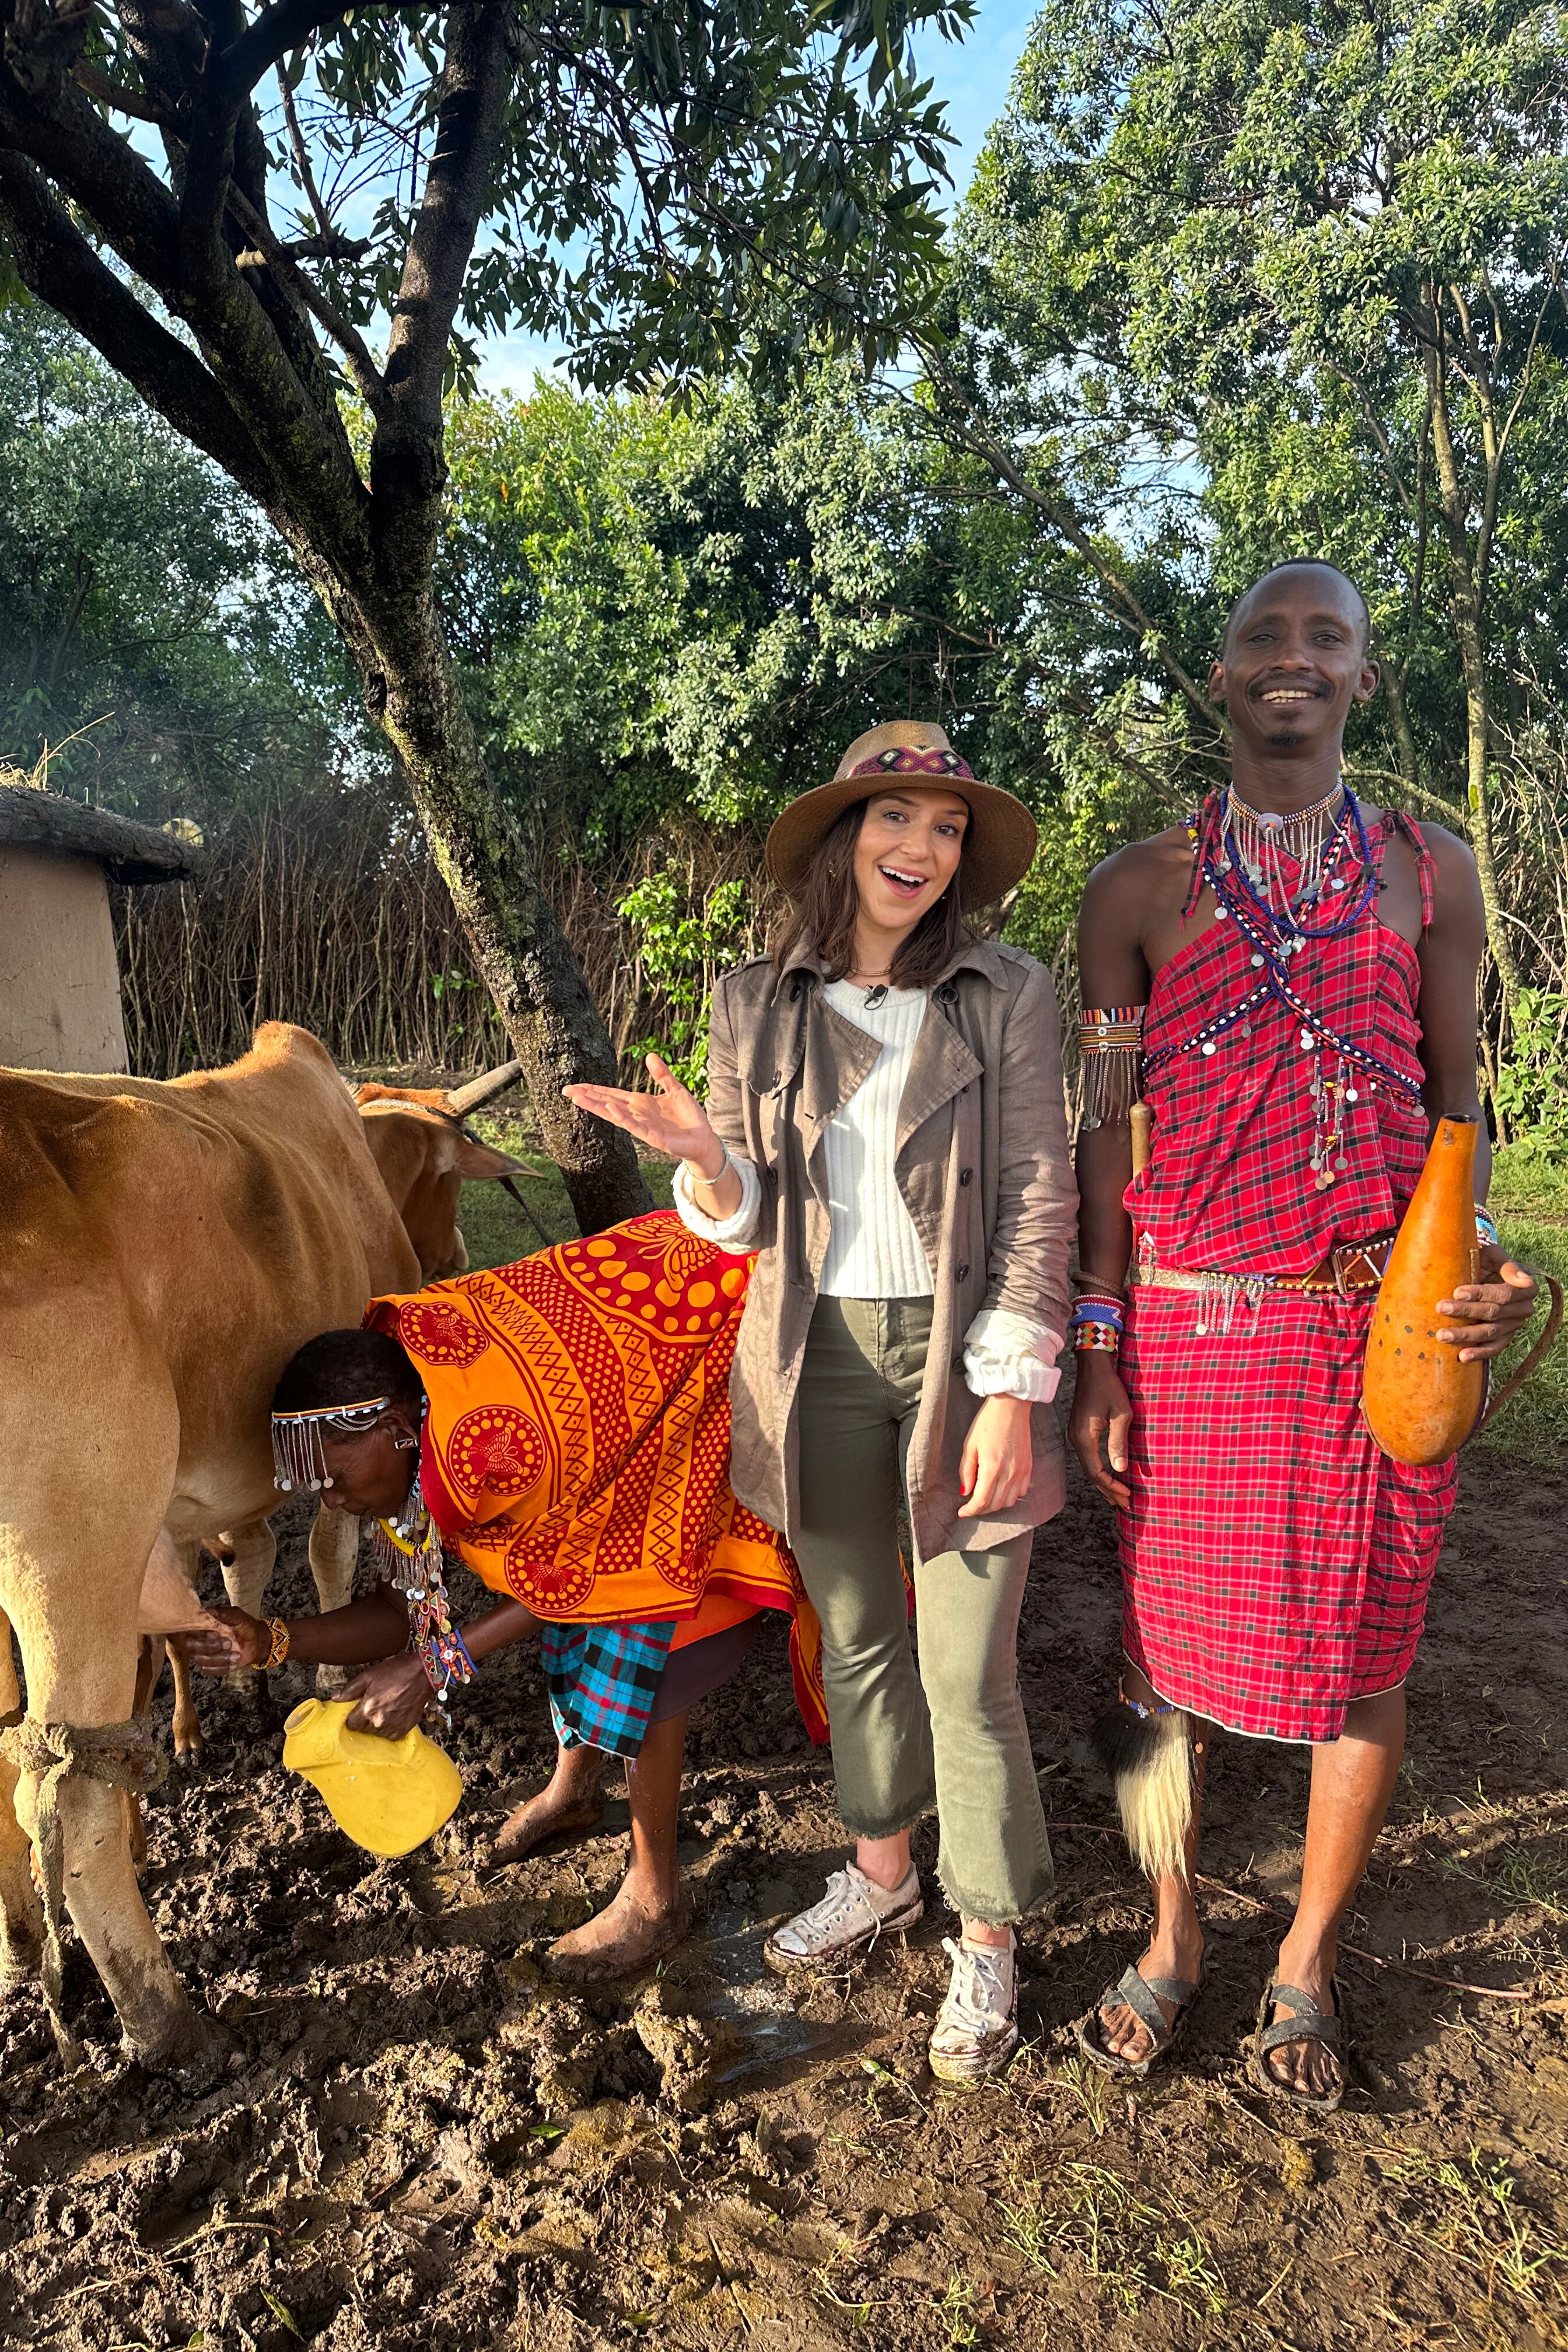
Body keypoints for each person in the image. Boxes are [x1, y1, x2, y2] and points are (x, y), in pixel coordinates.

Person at [1068, 560, 1541, 2110]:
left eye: (1324, 636)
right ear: (1220, 680)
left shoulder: (1431, 875)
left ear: (1364, 670)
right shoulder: (1134, 890)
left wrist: (1478, 1265)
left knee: (1362, 1656)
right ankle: (1175, 1931)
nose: (1293, 659)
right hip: (1194, 1336)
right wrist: (1098, 1343)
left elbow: (1457, 1108)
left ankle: (1307, 1965)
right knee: (1157, 1671)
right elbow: (1104, 1138)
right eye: (1264, 638)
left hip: (1372, 1335)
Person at [565, 718, 1077, 2085]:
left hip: (964, 1352)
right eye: (893, 816)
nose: (920, 847)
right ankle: (882, 1868)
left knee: (967, 1667)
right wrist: (704, 1164)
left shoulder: (1004, 990)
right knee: (854, 1635)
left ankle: (988, 1932)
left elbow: (1036, 1189)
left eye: (946, 824)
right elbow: (742, 1227)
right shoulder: (755, 1001)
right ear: (841, 837)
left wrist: (1010, 1389)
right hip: (815, 1358)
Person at [186, 1247, 810, 1983]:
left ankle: (654, 1897)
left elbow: (576, 1577)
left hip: (702, 1370)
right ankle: (574, 1790)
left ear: (391, 1428)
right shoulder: (408, 1445)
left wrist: (431, 1669)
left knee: (647, 1631)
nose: (330, 1500)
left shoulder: (486, 1447)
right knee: (571, 1609)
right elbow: (404, 1606)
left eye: (334, 1476)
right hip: (601, 1437)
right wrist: (271, 1640)